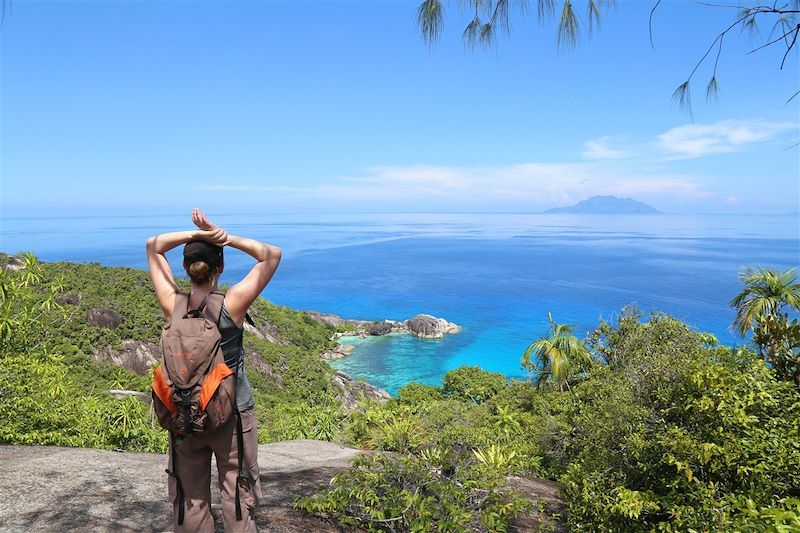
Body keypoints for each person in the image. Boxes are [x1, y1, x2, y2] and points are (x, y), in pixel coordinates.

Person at [146, 208, 281, 532]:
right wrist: (223, 236)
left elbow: (153, 246)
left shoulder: (173, 304)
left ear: (185, 267)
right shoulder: (231, 304)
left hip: (185, 415)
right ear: (220, 267)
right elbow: (271, 256)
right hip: (232, 415)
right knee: (237, 497)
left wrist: (195, 235)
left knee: (190, 502)